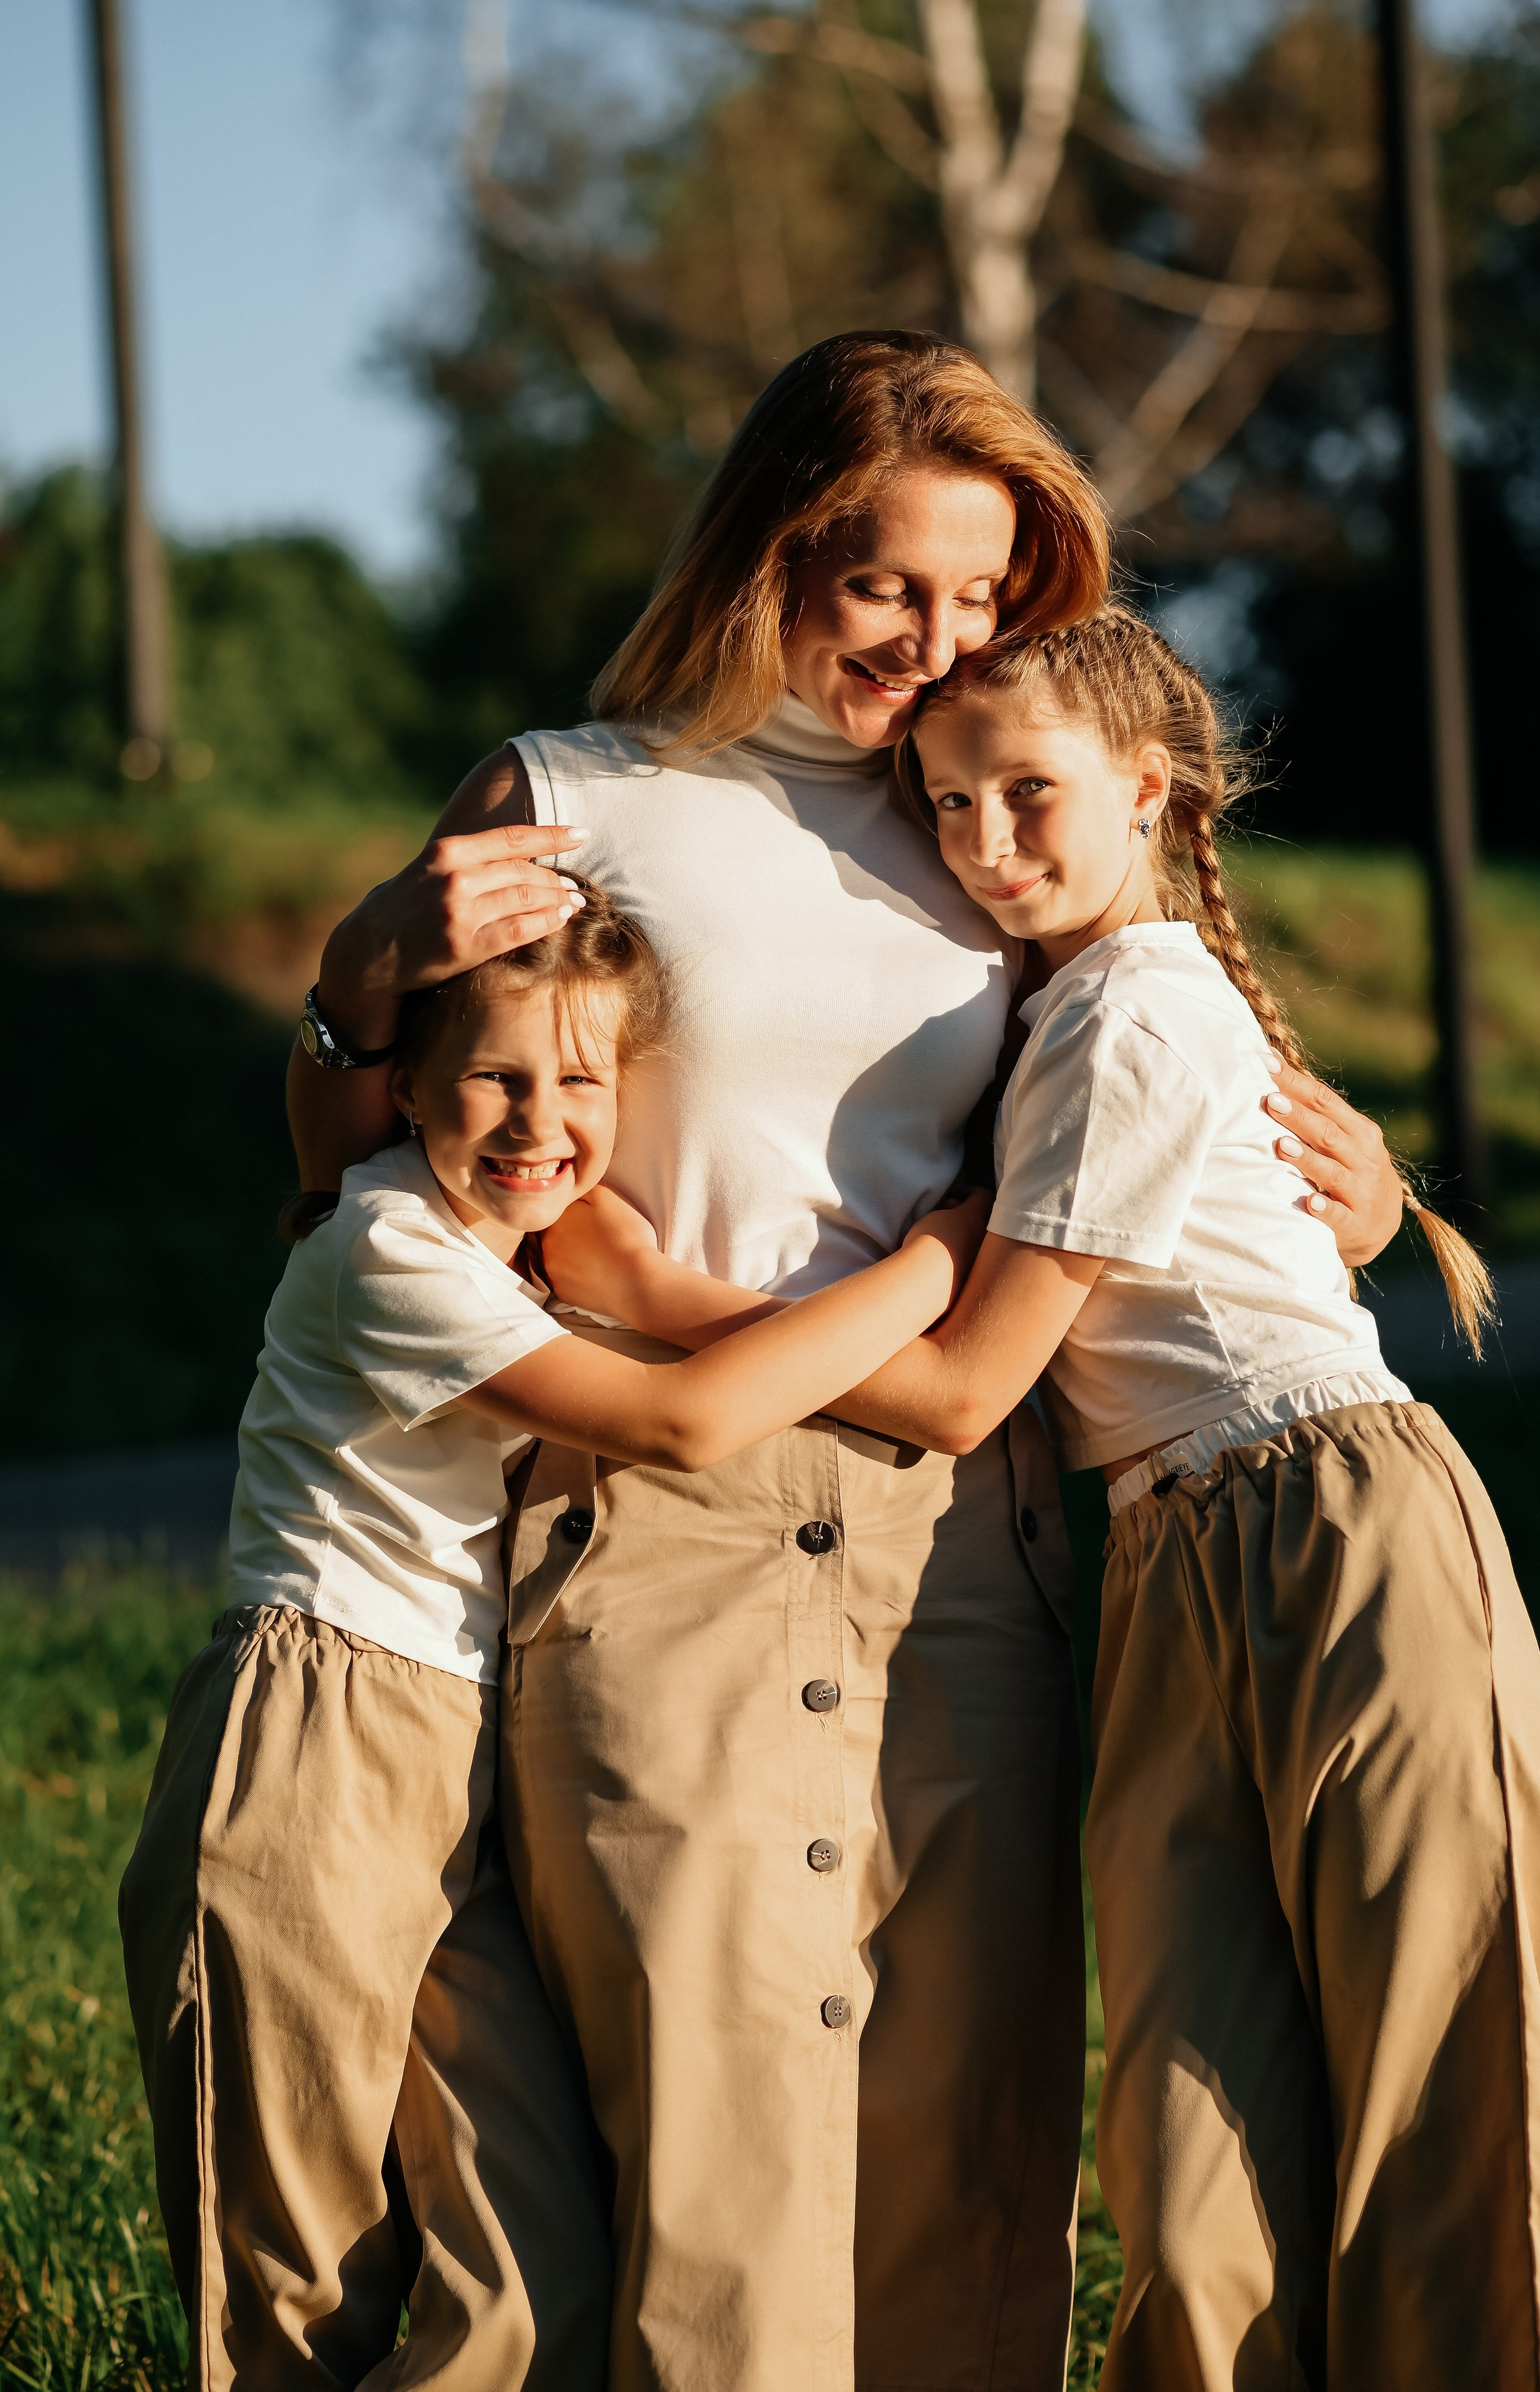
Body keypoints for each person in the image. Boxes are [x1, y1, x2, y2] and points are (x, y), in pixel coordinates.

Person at [288, 333, 1408, 2392]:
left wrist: (1350, 1186)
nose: (943, 632)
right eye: (891, 578)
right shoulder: (576, 793)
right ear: (771, 545)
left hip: (955, 1557)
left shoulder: (990, 824)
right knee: (715, 2191)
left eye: (986, 594)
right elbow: (365, 1167)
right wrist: (365, 980)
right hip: (655, 1532)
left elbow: (1159, 1060)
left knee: (962, 2171)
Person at [638, 604, 1540, 2392]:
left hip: (1341, 1534)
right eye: (947, 804)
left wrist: (669, 1298)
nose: (985, 842)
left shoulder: (1137, 1004)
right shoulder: (1061, 1012)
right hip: (1162, 1568)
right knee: (1187, 2151)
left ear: (1147, 786)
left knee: (1444, 2110)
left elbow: (973, 1383)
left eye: (1027, 794)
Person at [122, 884, 986, 2388]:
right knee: (293, 2282)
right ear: (404, 1088)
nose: (540, 1119)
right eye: (495, 1078)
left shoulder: (508, 1252)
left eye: (582, 1080)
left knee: (529, 2274)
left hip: (461, 1744)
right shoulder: (384, 1247)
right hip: (315, 1729)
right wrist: (934, 1270)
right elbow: (681, 1419)